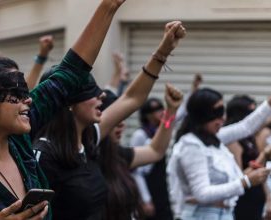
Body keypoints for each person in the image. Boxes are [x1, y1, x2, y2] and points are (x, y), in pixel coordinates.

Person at [0, 0, 132, 219]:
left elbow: (72, 71)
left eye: (25, 91)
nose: (28, 100)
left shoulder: (19, 144)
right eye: (16, 92)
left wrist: (109, 6)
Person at [33, 20, 186, 220]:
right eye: (92, 92)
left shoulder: (89, 141)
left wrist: (164, 52)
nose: (102, 97)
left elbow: (132, 100)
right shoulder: (44, 155)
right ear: (69, 103)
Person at [168, 88, 271, 220]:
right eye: (216, 113)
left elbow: (246, 126)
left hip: (223, 214)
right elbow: (202, 193)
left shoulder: (214, 138)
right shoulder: (191, 145)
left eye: (222, 112)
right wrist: (246, 182)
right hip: (200, 215)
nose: (222, 119)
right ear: (201, 115)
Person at [97, 85, 183, 220]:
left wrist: (170, 112)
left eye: (122, 118)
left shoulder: (118, 155)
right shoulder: (81, 157)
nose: (121, 124)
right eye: (114, 118)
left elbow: (156, 151)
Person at [130, 73, 202, 220]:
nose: (160, 113)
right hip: (148, 188)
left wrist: (193, 89)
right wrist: (145, 199)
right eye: (155, 110)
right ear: (146, 115)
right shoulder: (140, 135)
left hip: (161, 186)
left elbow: (179, 113)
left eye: (160, 109)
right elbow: (136, 171)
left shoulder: (163, 128)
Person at [225, 95, 271, 220]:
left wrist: (269, 200)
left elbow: (260, 172)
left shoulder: (249, 138)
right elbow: (239, 177)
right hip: (242, 198)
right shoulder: (232, 141)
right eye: (250, 112)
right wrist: (264, 154)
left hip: (256, 196)